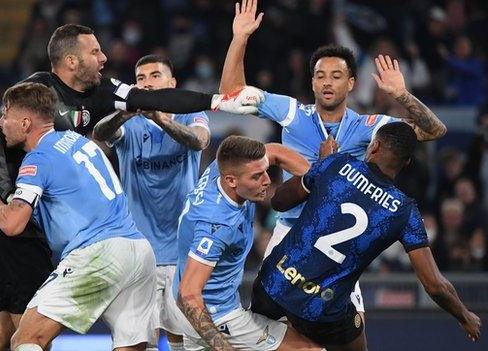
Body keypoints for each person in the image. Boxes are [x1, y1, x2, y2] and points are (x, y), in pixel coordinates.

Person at [0, 23, 263, 351]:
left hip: (74, 237)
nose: (104, 57)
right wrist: (9, 195)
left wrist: (219, 101)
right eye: (94, 52)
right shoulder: (39, 100)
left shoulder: (93, 101)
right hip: (88, 239)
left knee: (18, 338)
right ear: (72, 61)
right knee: (5, 338)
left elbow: (154, 104)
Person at [219, 0, 447, 316]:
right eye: (321, 75)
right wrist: (240, 37)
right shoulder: (291, 112)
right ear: (312, 82)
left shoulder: (369, 127)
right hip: (289, 230)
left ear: (351, 83)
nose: (327, 82)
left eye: (337, 76)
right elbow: (230, 93)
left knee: (351, 332)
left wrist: (401, 96)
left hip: (335, 244)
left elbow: (434, 130)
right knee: (264, 324)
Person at [252, 122, 481, 351]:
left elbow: (279, 202)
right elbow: (434, 285)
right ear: (407, 162)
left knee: (259, 341)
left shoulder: (336, 163)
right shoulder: (404, 211)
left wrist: (319, 168)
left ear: (374, 146)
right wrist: (464, 315)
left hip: (274, 283)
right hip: (321, 308)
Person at [0, 82, 157, 351]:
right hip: (139, 252)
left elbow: (13, 224)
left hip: (98, 252)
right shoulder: (79, 141)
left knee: (27, 339)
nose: (1, 123)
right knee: (131, 347)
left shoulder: (39, 158)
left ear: (26, 123)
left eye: (5, 115)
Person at [93, 54, 210, 350]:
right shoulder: (128, 123)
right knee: (134, 342)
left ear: (172, 83)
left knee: (180, 340)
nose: (147, 83)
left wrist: (159, 116)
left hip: (181, 251)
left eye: (155, 76)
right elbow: (101, 132)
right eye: (141, 78)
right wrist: (126, 112)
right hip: (138, 252)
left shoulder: (189, 115)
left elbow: (199, 141)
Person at [173, 135, 321, 350]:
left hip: (208, 309)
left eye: (265, 172)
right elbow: (188, 295)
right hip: (217, 317)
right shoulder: (218, 226)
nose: (267, 181)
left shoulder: (223, 168)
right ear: (232, 181)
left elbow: (275, 152)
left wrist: (321, 180)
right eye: (257, 177)